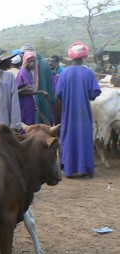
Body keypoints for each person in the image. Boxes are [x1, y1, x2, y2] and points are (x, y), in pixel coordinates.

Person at [55, 41, 101, 178]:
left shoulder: (64, 73)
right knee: (85, 138)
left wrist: (69, 97)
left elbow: (58, 94)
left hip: (68, 113)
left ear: (71, 56)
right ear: (84, 56)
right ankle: (85, 169)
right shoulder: (89, 73)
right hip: (84, 113)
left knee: (68, 138)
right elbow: (94, 93)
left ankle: (69, 169)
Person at [21, 43, 55, 125]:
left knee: (37, 120)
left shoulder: (33, 63)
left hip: (36, 97)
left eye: (23, 53)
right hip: (46, 96)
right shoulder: (44, 62)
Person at [17, 51, 49, 126]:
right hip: (24, 101)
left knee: (31, 120)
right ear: (25, 61)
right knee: (27, 122)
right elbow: (22, 91)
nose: (32, 63)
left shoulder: (29, 72)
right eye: (30, 61)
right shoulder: (23, 72)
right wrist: (41, 92)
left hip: (30, 100)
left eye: (34, 61)